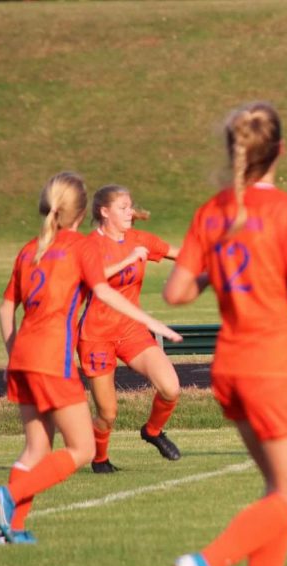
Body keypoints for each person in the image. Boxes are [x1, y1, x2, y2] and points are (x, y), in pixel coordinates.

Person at [163, 102, 287, 566]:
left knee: (276, 495)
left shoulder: (212, 211)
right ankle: (206, 563)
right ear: (281, 150)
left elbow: (176, 293)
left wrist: (214, 267)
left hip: (230, 367)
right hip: (274, 367)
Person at [0, 172, 182, 545]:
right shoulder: (81, 247)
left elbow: (5, 308)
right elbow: (104, 292)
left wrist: (14, 355)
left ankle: (10, 531)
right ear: (84, 214)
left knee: (36, 449)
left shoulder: (31, 248)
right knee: (82, 448)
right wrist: (153, 321)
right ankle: (7, 498)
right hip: (52, 360)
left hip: (23, 359)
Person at [78, 185, 182, 474]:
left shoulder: (138, 239)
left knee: (170, 387)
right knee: (107, 414)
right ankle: (99, 459)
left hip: (131, 331)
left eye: (130, 206)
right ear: (104, 211)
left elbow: (179, 254)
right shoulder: (89, 246)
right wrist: (128, 259)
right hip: (96, 336)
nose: (130, 212)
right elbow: (93, 280)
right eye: (123, 207)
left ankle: (152, 431)